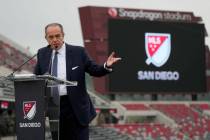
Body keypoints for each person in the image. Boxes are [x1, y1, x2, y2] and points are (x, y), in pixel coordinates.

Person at [34, 23, 121, 140]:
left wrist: (106, 66)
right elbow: (36, 79)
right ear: (46, 38)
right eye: (51, 37)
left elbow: (94, 70)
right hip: (55, 106)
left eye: (57, 36)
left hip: (76, 108)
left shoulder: (78, 52)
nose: (55, 40)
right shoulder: (42, 53)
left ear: (63, 35)